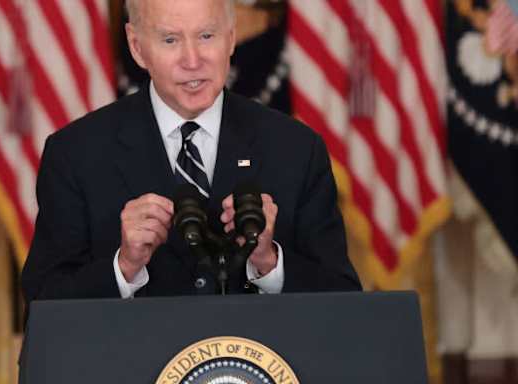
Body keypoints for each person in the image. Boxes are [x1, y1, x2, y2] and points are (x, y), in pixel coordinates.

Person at [21, 0, 361, 305]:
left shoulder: (296, 150)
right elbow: (43, 304)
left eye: (206, 36)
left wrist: (269, 262)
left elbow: (344, 301)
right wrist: (123, 267)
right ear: (138, 47)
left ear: (230, 37)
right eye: (170, 40)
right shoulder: (76, 153)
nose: (193, 60)